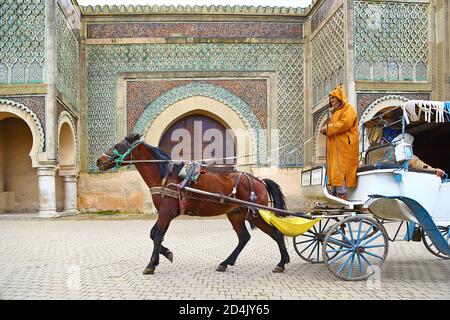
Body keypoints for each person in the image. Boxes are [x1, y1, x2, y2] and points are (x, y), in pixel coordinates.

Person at [320, 85, 359, 200]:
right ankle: (334, 193)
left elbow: (344, 124)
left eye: (333, 98)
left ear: (340, 98)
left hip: (345, 147)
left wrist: (327, 128)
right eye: (330, 99)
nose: (331, 101)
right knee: (334, 168)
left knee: (341, 168)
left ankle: (342, 195)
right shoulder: (336, 112)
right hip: (336, 147)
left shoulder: (348, 109)